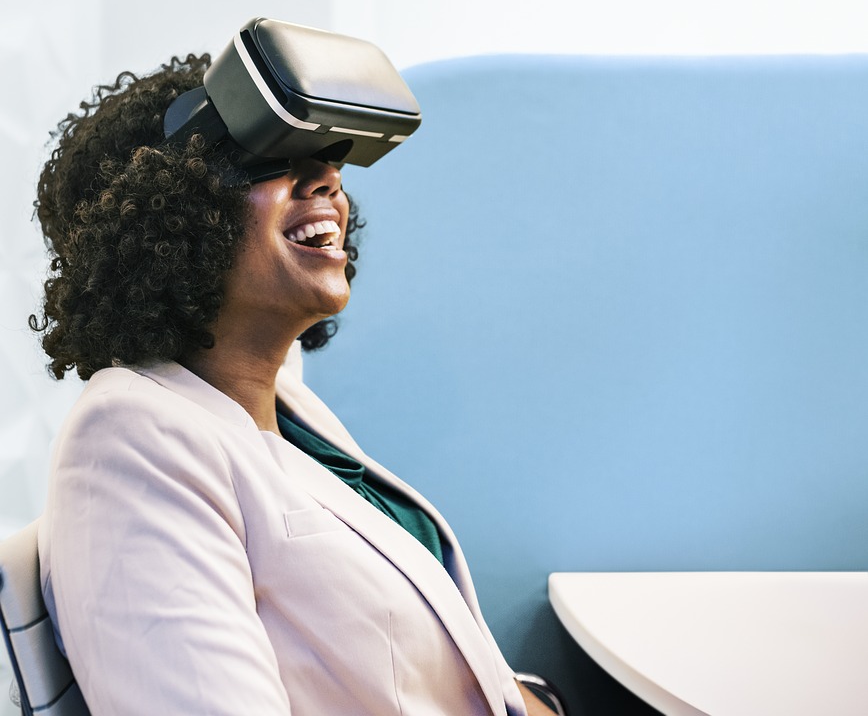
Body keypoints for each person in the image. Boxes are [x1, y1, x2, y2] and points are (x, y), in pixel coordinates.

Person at [31, 46, 556, 715]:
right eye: (267, 159)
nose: (325, 181)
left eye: (328, 157)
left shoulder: (288, 408)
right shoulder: (130, 439)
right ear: (166, 215)